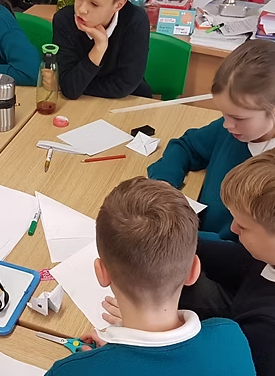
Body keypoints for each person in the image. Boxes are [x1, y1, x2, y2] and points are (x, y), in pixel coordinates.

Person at [45, 177, 255, 376]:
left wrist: (96, 362)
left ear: (102, 273)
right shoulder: (231, 337)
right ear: (193, 271)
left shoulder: (68, 372)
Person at [148, 39, 275, 241]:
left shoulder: (269, 176)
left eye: (238, 117)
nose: (226, 124)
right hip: (193, 236)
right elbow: (186, 146)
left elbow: (247, 254)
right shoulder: (233, 130)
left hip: (215, 256)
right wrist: (164, 183)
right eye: (224, 114)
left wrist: (185, 238)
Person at [176, 149, 275, 376]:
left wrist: (151, 335)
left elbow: (218, 366)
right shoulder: (266, 254)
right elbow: (244, 262)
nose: (232, 229)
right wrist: (177, 237)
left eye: (243, 226)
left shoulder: (265, 331)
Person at [52, 0, 151, 100]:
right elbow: (69, 88)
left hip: (129, 101)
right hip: (81, 105)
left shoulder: (135, 21)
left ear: (118, 4)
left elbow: (123, 86)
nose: (81, 9)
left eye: (94, 3)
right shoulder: (64, 20)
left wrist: (80, 85)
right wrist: (99, 48)